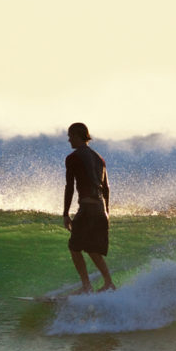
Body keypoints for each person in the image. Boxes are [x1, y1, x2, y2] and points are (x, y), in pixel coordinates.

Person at [62, 122, 115, 293]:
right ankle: (109, 283)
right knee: (92, 249)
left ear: (77, 136)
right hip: (100, 209)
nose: (69, 140)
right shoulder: (99, 158)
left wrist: (65, 214)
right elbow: (106, 188)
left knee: (74, 247)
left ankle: (86, 286)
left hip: (87, 209)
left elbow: (69, 187)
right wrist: (107, 213)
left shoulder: (73, 158)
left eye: (70, 136)